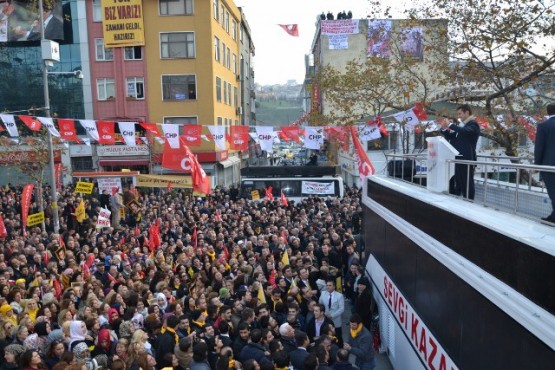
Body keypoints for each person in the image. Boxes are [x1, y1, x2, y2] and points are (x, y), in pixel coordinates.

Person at [440, 104, 480, 199]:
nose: (458, 116)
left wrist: (450, 124)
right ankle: (459, 199)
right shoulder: (463, 125)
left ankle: (469, 200)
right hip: (458, 157)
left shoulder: (473, 124)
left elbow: (465, 131)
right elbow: (452, 136)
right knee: (459, 181)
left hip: (467, 158)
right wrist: (444, 128)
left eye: (460, 114)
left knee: (467, 182)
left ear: (467, 112)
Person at [534, 103, 555, 223]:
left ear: (548, 112)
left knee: (553, 191)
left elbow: (539, 147)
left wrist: (537, 164)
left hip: (549, 165)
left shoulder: (543, 126)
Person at [318, 279, 344, 346]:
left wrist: (332, 315)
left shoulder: (339, 296)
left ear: (334, 286)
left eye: (330, 285)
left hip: (336, 320)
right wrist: (323, 314)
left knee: (338, 335)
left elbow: (341, 309)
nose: (328, 287)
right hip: (326, 319)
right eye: (327, 285)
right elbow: (320, 305)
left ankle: (340, 348)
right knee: (327, 335)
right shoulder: (323, 293)